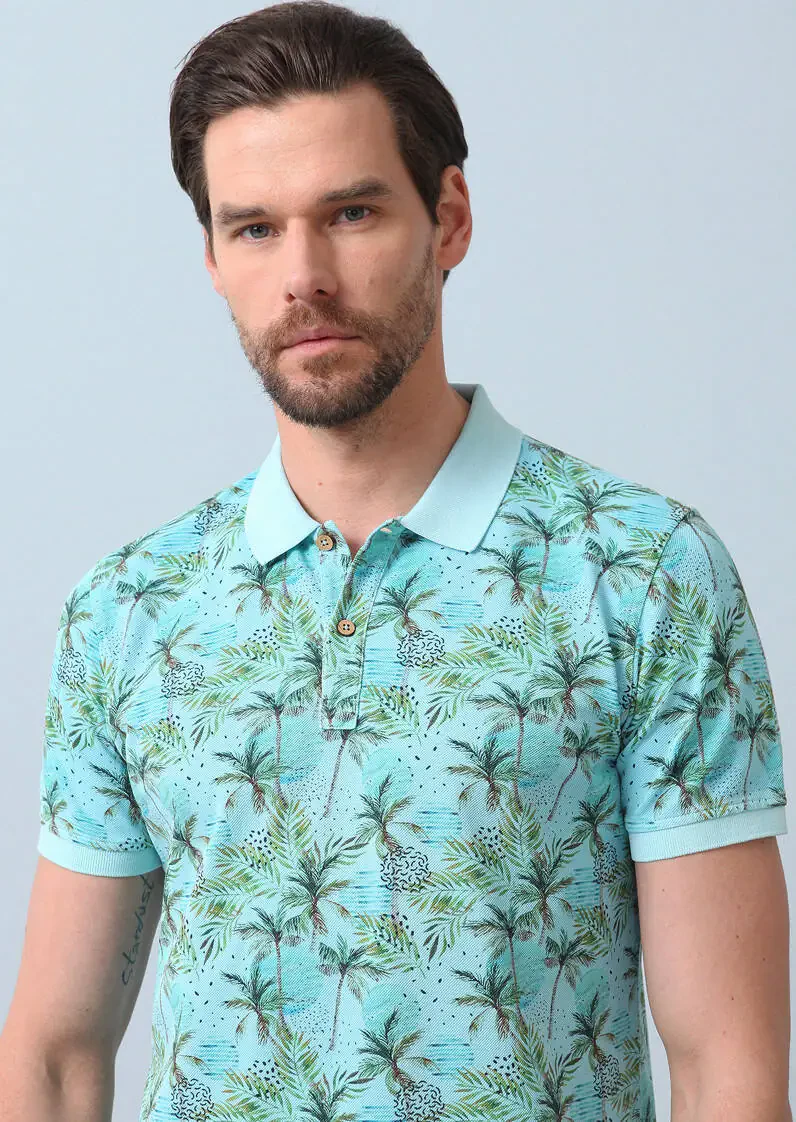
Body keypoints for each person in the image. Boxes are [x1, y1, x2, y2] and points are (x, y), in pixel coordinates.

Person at [0, 3, 790, 1119]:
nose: (304, 275)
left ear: (448, 218)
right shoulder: (130, 609)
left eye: (352, 212)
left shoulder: (644, 573)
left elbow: (726, 1068)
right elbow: (55, 1057)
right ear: (214, 258)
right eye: (254, 228)